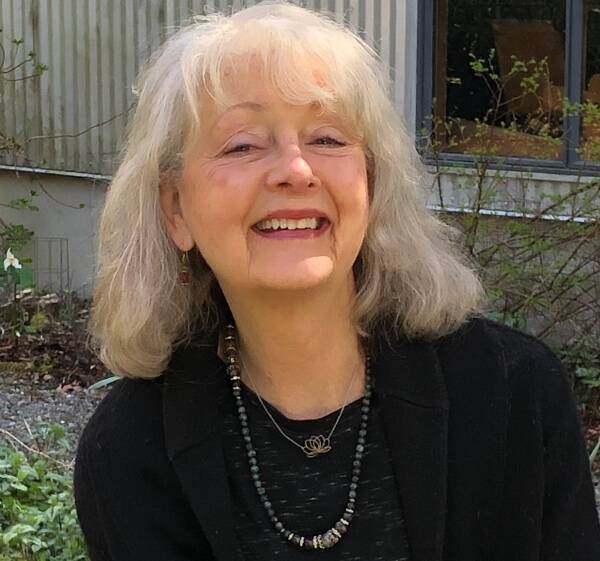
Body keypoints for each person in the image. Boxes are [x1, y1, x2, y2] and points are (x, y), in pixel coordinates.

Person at [73, 2, 600, 560]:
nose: (296, 170)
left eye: (327, 139)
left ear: (370, 184)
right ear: (176, 209)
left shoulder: (513, 396)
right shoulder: (129, 454)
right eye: (242, 144)